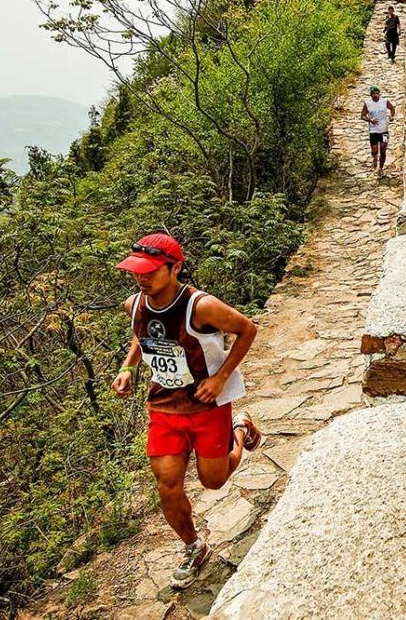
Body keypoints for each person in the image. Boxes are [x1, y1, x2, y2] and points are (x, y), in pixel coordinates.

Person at [111, 233, 262, 590]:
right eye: (136, 271)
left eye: (149, 271)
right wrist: (128, 368)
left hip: (208, 406)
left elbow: (247, 329)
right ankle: (194, 547)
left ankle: (240, 428)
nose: (141, 278)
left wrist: (221, 378)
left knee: (214, 480)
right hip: (164, 407)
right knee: (167, 485)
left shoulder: (201, 306)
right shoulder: (134, 304)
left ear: (174, 267)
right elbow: (141, 334)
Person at [361, 85, 396, 176]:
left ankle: (380, 168)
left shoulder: (384, 101)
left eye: (377, 93)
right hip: (373, 131)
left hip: (384, 131)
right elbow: (363, 116)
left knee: (383, 150)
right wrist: (370, 120)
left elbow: (392, 108)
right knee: (374, 151)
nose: (376, 95)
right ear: (371, 95)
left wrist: (392, 116)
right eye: (374, 94)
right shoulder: (368, 104)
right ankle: (375, 158)